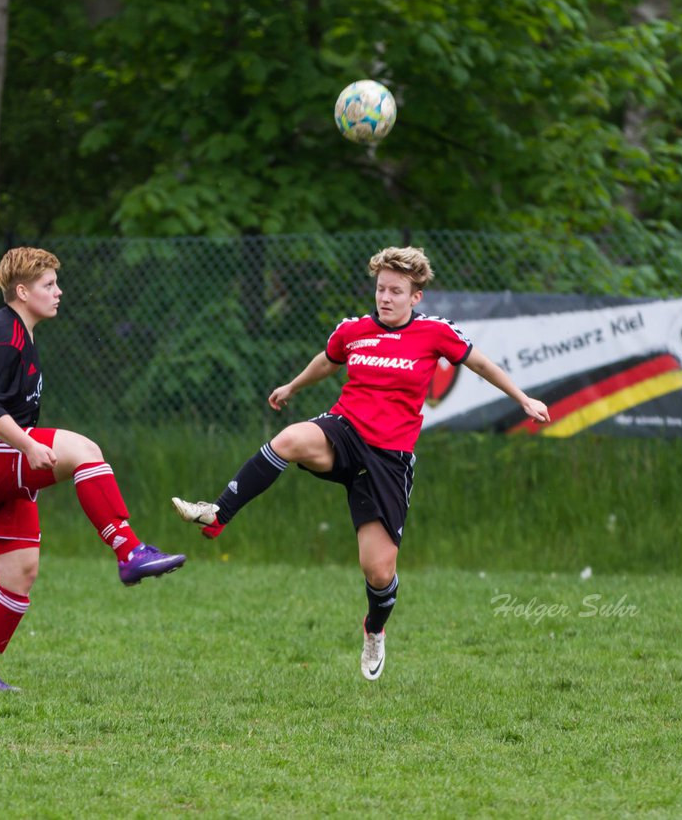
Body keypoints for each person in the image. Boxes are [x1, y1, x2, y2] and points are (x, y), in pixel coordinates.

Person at [172, 246, 549, 681]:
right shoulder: (354, 330)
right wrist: (292, 387)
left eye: (396, 291)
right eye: (380, 289)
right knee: (290, 438)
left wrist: (522, 398)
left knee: (378, 571)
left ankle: (374, 628)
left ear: (415, 297)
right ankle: (218, 512)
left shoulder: (434, 333)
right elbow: (327, 361)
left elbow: (479, 363)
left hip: (388, 459)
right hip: (344, 432)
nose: (385, 298)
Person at [0, 246, 186, 692]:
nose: (58, 292)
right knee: (83, 449)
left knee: (20, 573)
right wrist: (28, 445)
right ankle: (129, 552)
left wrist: (25, 444)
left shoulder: (21, 333)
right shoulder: (4, 334)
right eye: (48, 285)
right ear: (21, 291)